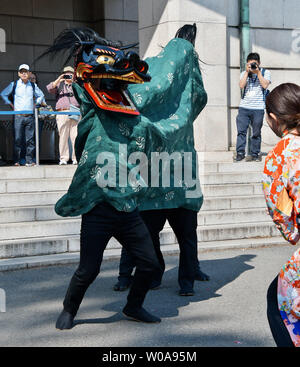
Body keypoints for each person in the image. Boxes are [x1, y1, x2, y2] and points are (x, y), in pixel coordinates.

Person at [38, 27, 162, 329]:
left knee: (149, 263)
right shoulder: (93, 111)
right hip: (98, 207)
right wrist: (86, 57)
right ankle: (69, 309)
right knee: (88, 269)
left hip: (127, 207)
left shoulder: (131, 114)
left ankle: (134, 306)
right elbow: (84, 83)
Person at [113, 24, 209, 296]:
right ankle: (186, 282)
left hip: (152, 163)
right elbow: (199, 99)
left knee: (147, 229)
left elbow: (139, 90)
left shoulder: (153, 64)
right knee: (187, 235)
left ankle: (151, 274)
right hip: (181, 162)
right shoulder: (189, 64)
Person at [263, 83, 300, 347]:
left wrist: (292, 231)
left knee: (279, 305)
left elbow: (283, 216)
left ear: (274, 118)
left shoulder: (279, 156)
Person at [0, 64, 45, 167]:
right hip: (18, 116)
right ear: (19, 73)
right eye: (22, 72)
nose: (24, 73)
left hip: (29, 116)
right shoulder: (14, 84)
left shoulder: (33, 85)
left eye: (26, 72)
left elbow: (41, 95)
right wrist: (11, 105)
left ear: (29, 73)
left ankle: (29, 160)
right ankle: (17, 160)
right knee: (18, 139)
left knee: (30, 140)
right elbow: (3, 94)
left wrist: (35, 104)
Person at [234, 52, 271, 162]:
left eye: (254, 64)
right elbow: (241, 85)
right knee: (241, 132)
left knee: (256, 133)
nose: (253, 66)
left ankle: (255, 154)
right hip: (244, 107)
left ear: (259, 63)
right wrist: (247, 72)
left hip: (258, 108)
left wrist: (258, 72)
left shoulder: (265, 72)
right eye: (250, 64)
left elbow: (265, 85)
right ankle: (240, 153)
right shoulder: (244, 73)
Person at [46, 66, 79, 165]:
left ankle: (76, 158)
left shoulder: (77, 85)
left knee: (75, 136)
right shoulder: (59, 84)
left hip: (75, 112)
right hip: (62, 112)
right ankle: (64, 158)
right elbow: (50, 88)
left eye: (70, 73)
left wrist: (75, 81)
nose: (68, 76)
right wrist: (60, 79)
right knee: (63, 136)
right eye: (66, 74)